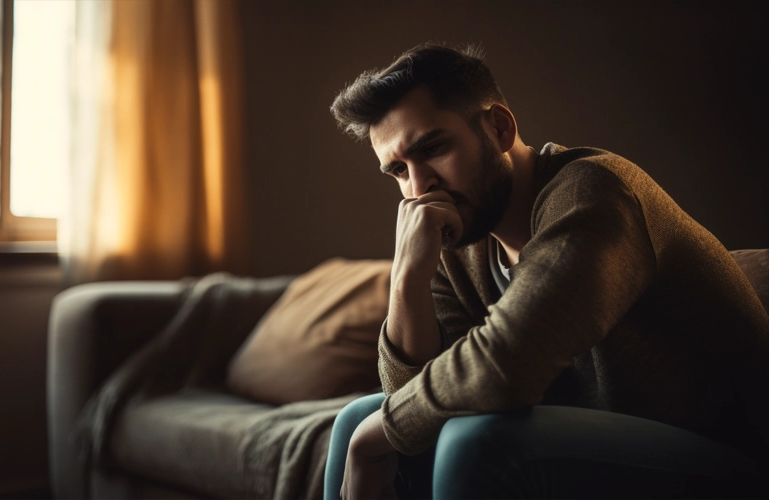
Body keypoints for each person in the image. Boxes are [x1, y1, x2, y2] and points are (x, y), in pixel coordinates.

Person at [324, 42, 769, 499]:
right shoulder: (456, 235)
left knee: (472, 441)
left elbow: (504, 366)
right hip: (600, 447)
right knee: (356, 419)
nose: (419, 188)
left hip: (725, 459)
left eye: (433, 148)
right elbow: (415, 400)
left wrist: (374, 440)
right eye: (398, 170)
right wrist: (407, 277)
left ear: (498, 128)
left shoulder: (593, 191)